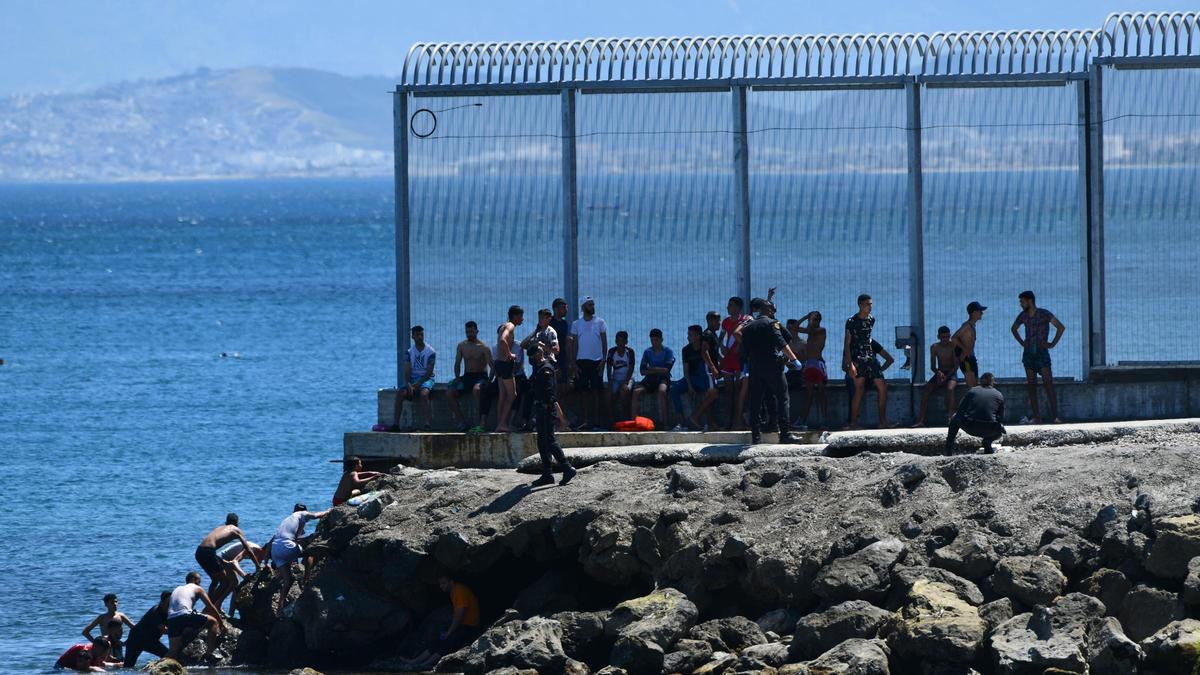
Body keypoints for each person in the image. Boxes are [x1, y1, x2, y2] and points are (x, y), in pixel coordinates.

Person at [740, 298, 802, 445]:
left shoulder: (748, 327)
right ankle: (785, 434)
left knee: (755, 401)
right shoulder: (772, 323)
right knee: (783, 398)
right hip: (773, 367)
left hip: (755, 368)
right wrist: (793, 360)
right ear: (769, 311)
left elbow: (743, 351)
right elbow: (783, 341)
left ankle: (756, 436)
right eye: (773, 310)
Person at [396, 573, 483, 671]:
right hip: (463, 625)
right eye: (440, 584)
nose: (441, 586)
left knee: (447, 641)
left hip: (469, 626)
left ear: (451, 582)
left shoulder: (459, 591)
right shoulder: (454, 592)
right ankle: (415, 661)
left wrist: (449, 632)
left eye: (444, 583)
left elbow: (459, 615)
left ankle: (425, 664)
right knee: (438, 639)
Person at [1011, 290, 1065, 424]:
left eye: (1022, 301)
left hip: (1041, 352)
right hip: (1029, 353)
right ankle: (1037, 416)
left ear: (1030, 301)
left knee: (1048, 384)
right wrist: (1023, 343)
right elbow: (1013, 329)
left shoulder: (1044, 314)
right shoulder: (1023, 316)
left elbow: (1060, 327)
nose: (1021, 304)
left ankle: (1055, 416)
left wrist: (1052, 344)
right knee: (1031, 385)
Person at [527, 343, 577, 487]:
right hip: (540, 408)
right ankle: (547, 473)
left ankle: (567, 468)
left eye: (532, 356)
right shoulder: (538, 368)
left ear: (537, 355)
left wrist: (547, 406)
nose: (531, 360)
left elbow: (549, 392)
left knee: (549, 440)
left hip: (546, 409)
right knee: (541, 441)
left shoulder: (546, 369)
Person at [844, 294, 895, 430]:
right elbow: (847, 343)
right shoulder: (851, 321)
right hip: (858, 357)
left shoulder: (871, 319)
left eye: (871, 304)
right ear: (860, 305)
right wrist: (850, 365)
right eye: (868, 304)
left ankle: (883, 421)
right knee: (859, 389)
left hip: (870, 357)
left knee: (882, 386)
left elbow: (868, 338)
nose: (870, 307)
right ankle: (853, 423)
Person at [195, 514, 259, 610]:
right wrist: (258, 566)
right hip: (209, 553)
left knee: (215, 580)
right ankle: (210, 608)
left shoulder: (220, 528)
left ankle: (209, 605)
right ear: (237, 523)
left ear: (226, 522)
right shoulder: (236, 530)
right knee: (226, 582)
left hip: (199, 552)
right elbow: (248, 550)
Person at [271, 503, 329, 598]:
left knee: (288, 580)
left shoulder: (287, 520)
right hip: (286, 546)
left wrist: (265, 559)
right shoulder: (302, 514)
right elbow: (317, 515)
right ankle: (306, 580)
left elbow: (272, 540)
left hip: (275, 550)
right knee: (310, 552)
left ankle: (280, 605)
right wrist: (328, 511)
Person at [671, 325, 720, 430]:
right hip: (691, 379)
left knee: (711, 393)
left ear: (698, 336)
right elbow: (686, 371)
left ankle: (703, 420)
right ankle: (680, 421)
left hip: (703, 377)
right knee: (674, 389)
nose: (688, 337)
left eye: (690, 335)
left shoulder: (704, 347)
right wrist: (689, 386)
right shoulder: (686, 350)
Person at [569, 296, 608, 430]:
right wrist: (573, 364)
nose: (592, 307)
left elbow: (604, 342)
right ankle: (585, 420)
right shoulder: (576, 324)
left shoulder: (600, 322)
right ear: (584, 307)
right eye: (590, 305)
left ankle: (597, 421)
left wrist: (603, 360)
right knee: (583, 392)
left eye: (593, 304)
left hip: (596, 361)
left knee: (596, 391)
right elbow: (574, 345)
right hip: (582, 362)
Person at [165, 572, 223, 661]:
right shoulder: (197, 588)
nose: (200, 583)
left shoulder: (177, 588)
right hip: (184, 615)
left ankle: (159, 666)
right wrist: (221, 623)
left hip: (171, 619)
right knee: (213, 622)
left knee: (173, 652)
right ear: (193, 579)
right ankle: (209, 654)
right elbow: (210, 606)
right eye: (199, 581)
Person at [911, 326, 961, 427]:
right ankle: (920, 420)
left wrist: (946, 377)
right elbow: (933, 366)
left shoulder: (953, 346)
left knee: (950, 389)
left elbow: (956, 366)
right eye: (943, 337)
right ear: (938, 337)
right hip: (940, 372)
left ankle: (951, 418)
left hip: (951, 373)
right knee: (926, 391)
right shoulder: (934, 347)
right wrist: (938, 373)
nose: (945, 340)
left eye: (947, 337)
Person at [945, 372, 1007, 453]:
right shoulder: (999, 395)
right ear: (993, 383)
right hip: (990, 430)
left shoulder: (972, 391)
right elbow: (1001, 418)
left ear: (980, 381)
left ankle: (948, 448)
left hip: (972, 427)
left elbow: (960, 410)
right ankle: (987, 443)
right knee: (1000, 428)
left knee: (954, 418)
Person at [447, 321, 492, 431]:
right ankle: (462, 422)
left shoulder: (483, 347)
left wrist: (489, 381)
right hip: (467, 376)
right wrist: (457, 379)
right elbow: (457, 363)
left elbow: (492, 366)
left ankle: (480, 422)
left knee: (477, 390)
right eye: (467, 332)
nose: (469, 334)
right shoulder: (462, 346)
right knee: (449, 393)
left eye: (471, 332)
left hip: (481, 376)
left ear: (477, 331)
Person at [391, 325, 436, 431]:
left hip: (426, 379)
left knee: (424, 394)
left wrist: (419, 383)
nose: (420, 337)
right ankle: (396, 425)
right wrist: (408, 384)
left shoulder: (431, 352)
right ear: (413, 336)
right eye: (417, 335)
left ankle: (427, 424)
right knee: (400, 393)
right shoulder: (409, 352)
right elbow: (407, 370)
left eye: (422, 334)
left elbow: (429, 372)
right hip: (413, 379)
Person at [631, 328, 675, 429]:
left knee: (662, 391)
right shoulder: (647, 352)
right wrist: (658, 369)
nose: (654, 343)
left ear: (661, 340)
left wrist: (651, 368)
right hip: (650, 379)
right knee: (636, 391)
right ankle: (634, 421)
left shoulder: (668, 351)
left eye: (656, 340)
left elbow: (667, 370)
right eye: (652, 340)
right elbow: (642, 371)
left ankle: (665, 423)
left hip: (663, 379)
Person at [792, 311, 829, 429]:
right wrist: (806, 317)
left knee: (822, 393)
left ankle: (824, 420)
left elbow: (807, 330)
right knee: (809, 394)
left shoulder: (821, 330)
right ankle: (803, 419)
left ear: (819, 320)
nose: (813, 322)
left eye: (815, 319)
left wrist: (810, 320)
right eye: (813, 319)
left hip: (818, 364)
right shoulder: (810, 332)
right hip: (809, 365)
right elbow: (795, 328)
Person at [718, 297, 750, 429]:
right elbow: (721, 336)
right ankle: (728, 420)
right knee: (728, 390)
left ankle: (739, 420)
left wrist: (740, 347)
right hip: (728, 360)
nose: (728, 307)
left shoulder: (745, 320)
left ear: (737, 307)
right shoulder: (725, 322)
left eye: (730, 305)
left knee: (739, 390)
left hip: (739, 360)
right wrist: (721, 346)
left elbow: (747, 338)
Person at [493, 306, 524, 433]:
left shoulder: (503, 326)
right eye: (521, 316)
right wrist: (510, 354)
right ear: (515, 316)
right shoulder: (510, 326)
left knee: (503, 395)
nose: (523, 319)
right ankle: (502, 424)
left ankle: (500, 424)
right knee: (512, 395)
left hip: (499, 364)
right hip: (505, 365)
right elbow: (502, 340)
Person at [122, 592, 170, 668]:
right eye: (168, 604)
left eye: (172, 603)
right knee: (128, 667)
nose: (170, 606)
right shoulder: (156, 612)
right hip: (135, 640)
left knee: (168, 656)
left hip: (151, 641)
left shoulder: (168, 612)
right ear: (162, 602)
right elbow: (164, 630)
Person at [953, 301, 986, 387]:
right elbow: (954, 338)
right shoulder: (966, 326)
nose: (982, 313)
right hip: (965, 359)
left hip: (971, 357)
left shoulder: (972, 325)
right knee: (972, 385)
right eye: (980, 311)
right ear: (974, 312)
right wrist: (965, 349)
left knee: (975, 384)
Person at [606, 330, 636, 421]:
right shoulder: (612, 352)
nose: (620, 343)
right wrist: (610, 382)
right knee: (609, 395)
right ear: (615, 341)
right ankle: (611, 419)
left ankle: (625, 418)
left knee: (625, 391)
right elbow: (608, 367)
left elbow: (631, 368)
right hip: (615, 379)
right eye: (618, 341)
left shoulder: (630, 352)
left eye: (622, 341)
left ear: (626, 342)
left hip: (628, 378)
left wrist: (626, 382)